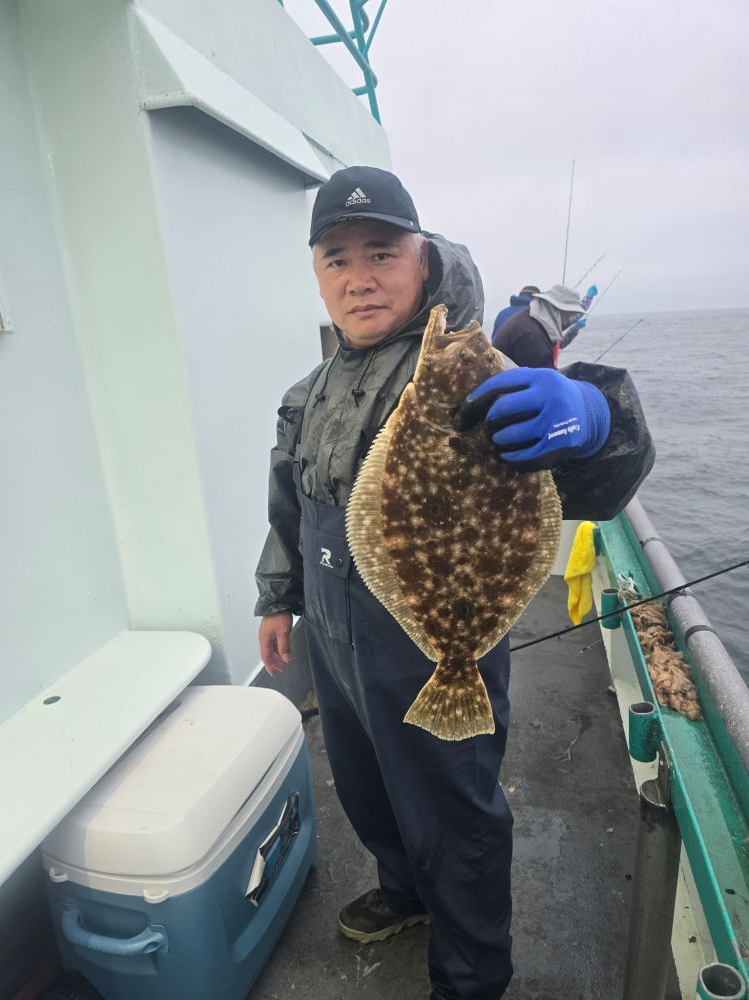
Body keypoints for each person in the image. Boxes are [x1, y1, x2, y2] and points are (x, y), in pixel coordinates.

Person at [255, 165, 654, 1000]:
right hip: (334, 629)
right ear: (318, 275)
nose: (359, 276)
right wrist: (276, 598)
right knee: (365, 785)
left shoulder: (474, 365)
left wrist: (595, 420)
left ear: (423, 259)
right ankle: (405, 890)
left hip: (426, 631)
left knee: (454, 813)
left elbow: (584, 473)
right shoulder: (312, 387)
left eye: (381, 252)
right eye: (337, 258)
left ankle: (472, 975)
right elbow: (290, 502)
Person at [493, 284, 585, 369]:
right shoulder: (532, 338)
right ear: (557, 311)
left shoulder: (529, 319)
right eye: (568, 315)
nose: (567, 321)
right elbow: (547, 381)